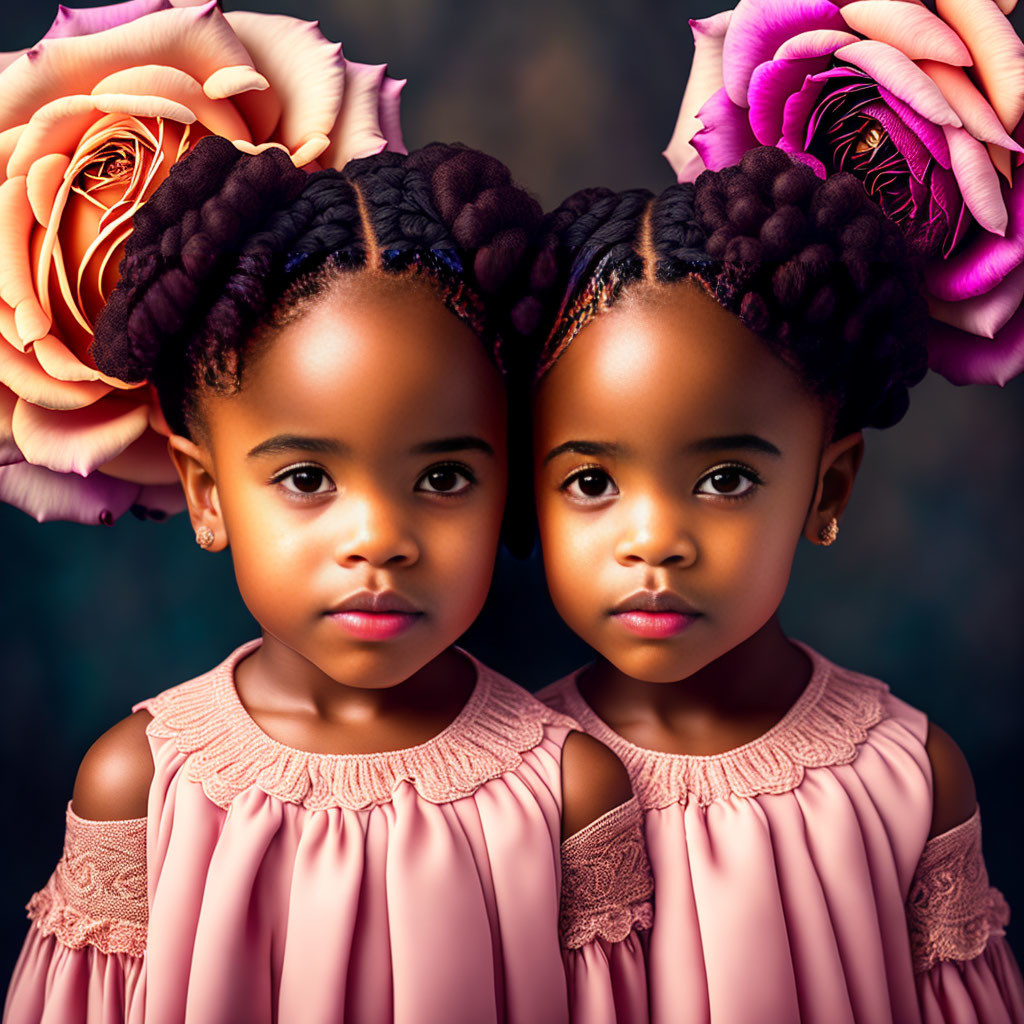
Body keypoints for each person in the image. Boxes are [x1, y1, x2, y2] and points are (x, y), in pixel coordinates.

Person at [3, 136, 652, 1024]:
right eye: (307, 478)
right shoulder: (142, 789)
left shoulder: (571, 795)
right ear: (207, 494)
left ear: (512, 483)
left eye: (444, 478)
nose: (379, 540)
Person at [529, 146, 1024, 1024]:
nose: (655, 544)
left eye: (724, 479)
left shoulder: (904, 779)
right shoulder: (502, 788)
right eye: (592, 482)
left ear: (825, 487)